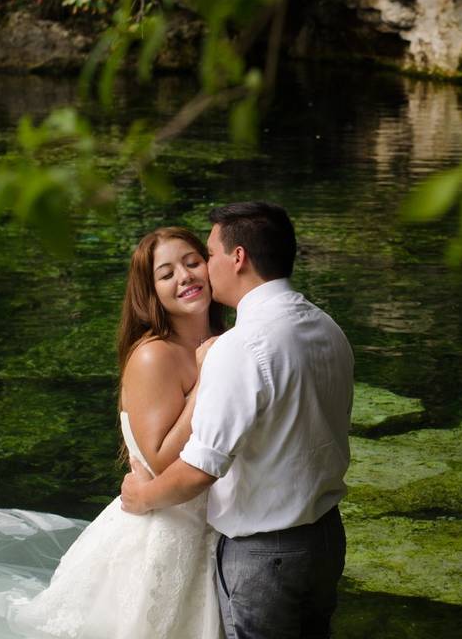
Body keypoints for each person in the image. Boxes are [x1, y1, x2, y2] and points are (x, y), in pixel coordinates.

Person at [121, 202, 355, 639]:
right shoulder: (327, 327)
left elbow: (199, 469)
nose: (201, 270)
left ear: (239, 258)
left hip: (267, 552)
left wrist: (142, 497)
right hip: (325, 537)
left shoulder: (240, 346)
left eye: (205, 256)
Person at [0, 227, 225, 639]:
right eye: (166, 273)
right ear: (150, 293)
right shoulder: (154, 355)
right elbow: (160, 461)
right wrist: (207, 381)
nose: (184, 277)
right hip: (163, 534)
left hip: (213, 528)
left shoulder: (223, 341)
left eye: (191, 262)